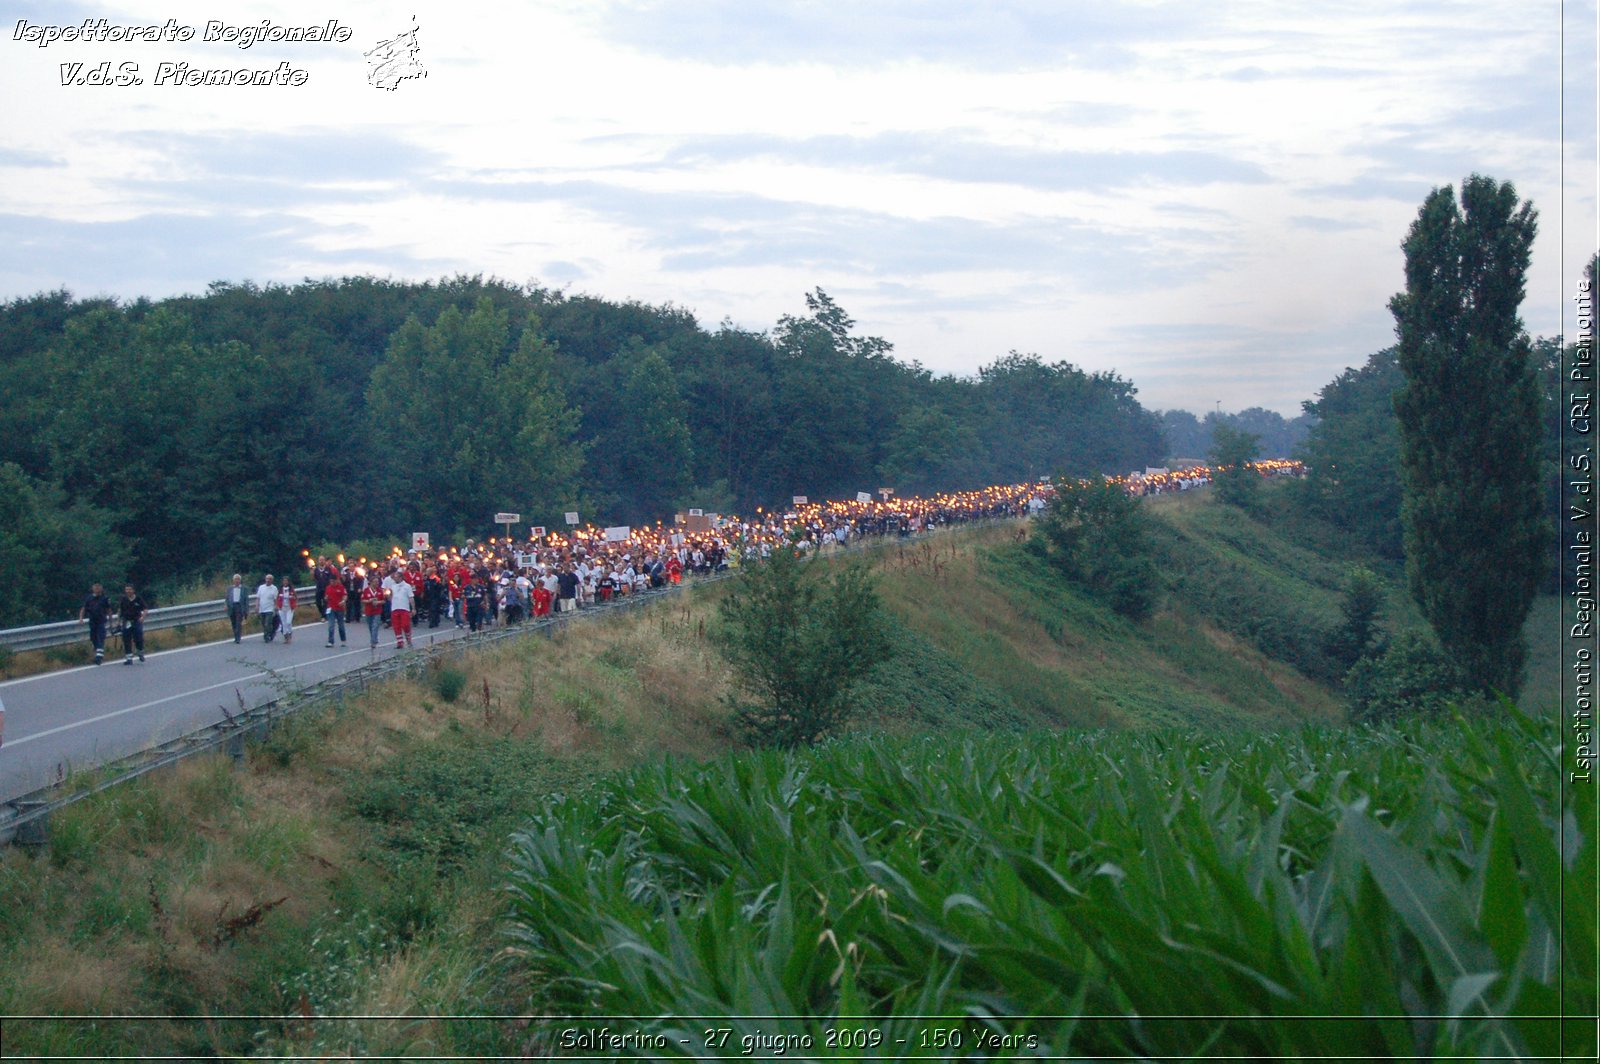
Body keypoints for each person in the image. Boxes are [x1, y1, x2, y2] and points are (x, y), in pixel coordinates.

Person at [78, 581, 112, 664]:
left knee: (100, 637)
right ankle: (98, 651)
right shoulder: (89, 598)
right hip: (92, 621)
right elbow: (83, 609)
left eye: (98, 586)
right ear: (92, 588)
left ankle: (98, 657)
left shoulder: (105, 599)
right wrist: (81, 618)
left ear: (101, 588)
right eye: (95, 586)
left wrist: (111, 622)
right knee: (93, 638)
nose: (97, 588)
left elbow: (109, 610)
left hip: (101, 621)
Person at [383, 567, 414, 648]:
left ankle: (408, 638)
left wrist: (413, 608)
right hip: (395, 608)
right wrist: (388, 595)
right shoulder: (393, 586)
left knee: (405, 625)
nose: (395, 579)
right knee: (396, 626)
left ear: (400, 577)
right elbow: (390, 599)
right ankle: (399, 642)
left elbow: (411, 597)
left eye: (396, 577)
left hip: (404, 608)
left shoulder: (407, 586)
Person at [118, 584, 147, 664]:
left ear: (133, 590)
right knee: (126, 639)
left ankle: (140, 652)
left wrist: (142, 617)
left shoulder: (138, 599)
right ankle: (129, 658)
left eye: (130, 589)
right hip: (126, 621)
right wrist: (118, 622)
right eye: (126, 589)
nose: (128, 591)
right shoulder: (123, 599)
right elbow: (120, 610)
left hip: (136, 621)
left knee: (138, 637)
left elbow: (145, 609)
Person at [323, 570, 348, 647]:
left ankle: (343, 640)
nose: (332, 583)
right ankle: (330, 641)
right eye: (331, 581)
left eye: (333, 581)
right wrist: (326, 598)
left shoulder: (341, 587)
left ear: (337, 581)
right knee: (331, 626)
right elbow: (325, 597)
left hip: (340, 609)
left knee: (341, 626)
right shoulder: (328, 588)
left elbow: (345, 595)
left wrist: (343, 601)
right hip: (331, 609)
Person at [360, 573, 385, 648]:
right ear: (371, 582)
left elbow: (383, 601)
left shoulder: (380, 591)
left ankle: (373, 641)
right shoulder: (366, 590)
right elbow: (362, 600)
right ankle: (374, 638)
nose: (377, 583)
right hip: (369, 611)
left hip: (377, 611)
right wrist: (369, 601)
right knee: (371, 626)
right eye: (375, 582)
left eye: (378, 582)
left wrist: (378, 602)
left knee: (375, 626)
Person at [225, 574, 249, 644]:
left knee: (238, 623)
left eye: (238, 579)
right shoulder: (229, 588)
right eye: (235, 579)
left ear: (240, 580)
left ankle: (238, 638)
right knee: (233, 622)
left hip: (240, 607)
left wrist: (246, 610)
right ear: (233, 580)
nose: (237, 581)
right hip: (232, 606)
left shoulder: (244, 588)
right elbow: (227, 598)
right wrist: (226, 605)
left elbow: (246, 600)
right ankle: (235, 635)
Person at [256, 574, 278, 642]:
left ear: (272, 580)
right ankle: (271, 632)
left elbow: (275, 599)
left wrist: (276, 607)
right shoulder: (261, 587)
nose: (268, 580)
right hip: (262, 608)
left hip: (270, 609)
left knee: (267, 623)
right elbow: (258, 598)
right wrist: (257, 606)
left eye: (270, 579)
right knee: (263, 623)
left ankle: (266, 636)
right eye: (267, 579)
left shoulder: (274, 588)